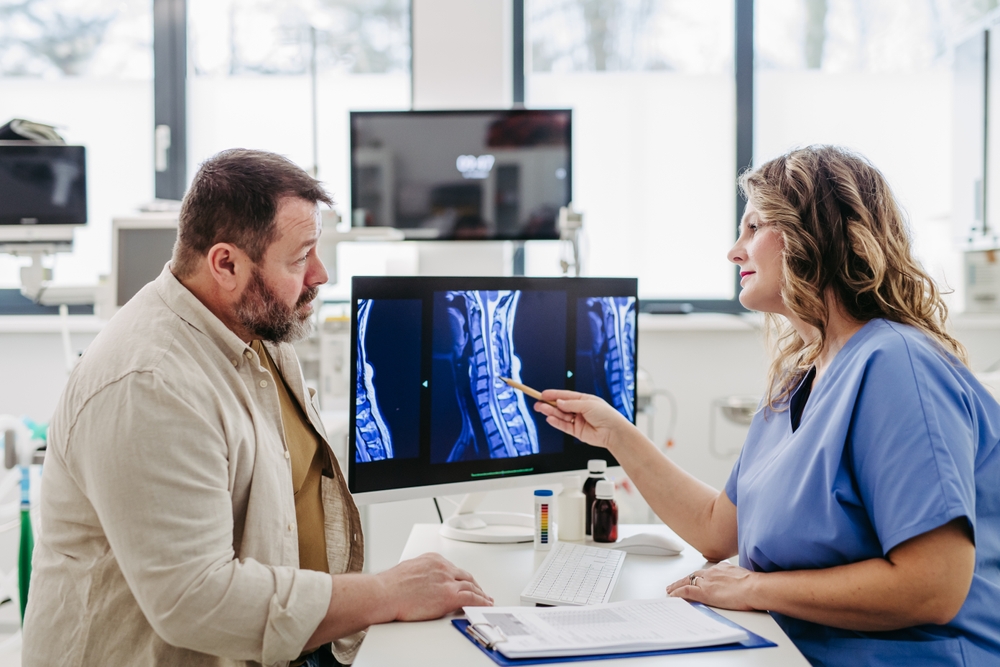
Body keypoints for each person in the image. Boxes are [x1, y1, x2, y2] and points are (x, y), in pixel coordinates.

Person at [22, 149, 492, 667]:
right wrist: (385, 593)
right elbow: (195, 600)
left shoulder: (255, 329)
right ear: (225, 263)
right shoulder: (150, 384)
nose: (321, 274)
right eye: (300, 258)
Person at [535, 145, 1000, 666]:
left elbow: (933, 586)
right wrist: (616, 434)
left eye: (754, 227)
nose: (735, 252)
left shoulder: (896, 365)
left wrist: (752, 589)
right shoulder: (799, 383)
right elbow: (717, 530)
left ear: (815, 233)